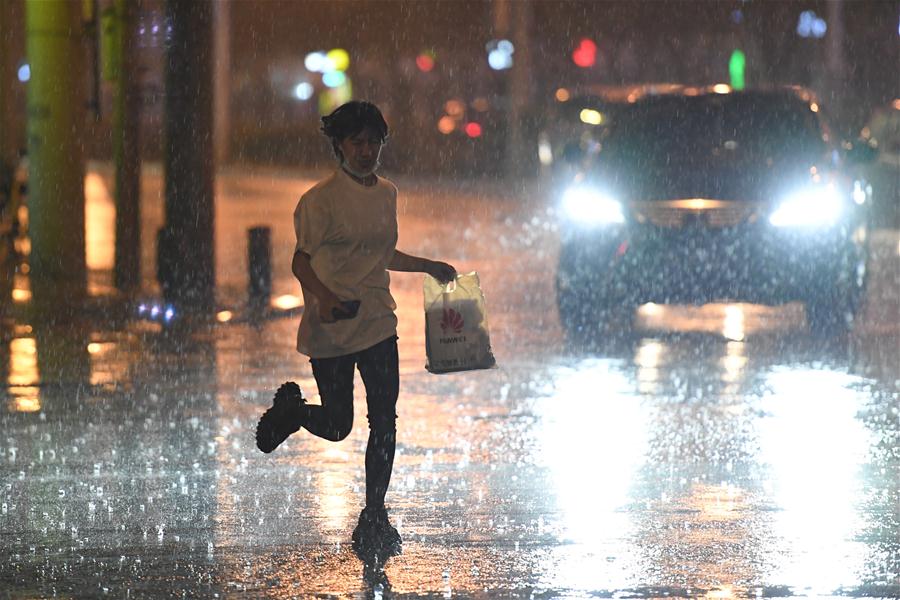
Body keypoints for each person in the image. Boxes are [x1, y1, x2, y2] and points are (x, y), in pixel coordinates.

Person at [255, 101, 456, 555]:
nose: (366, 151)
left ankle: (374, 514)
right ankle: (294, 412)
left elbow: (382, 253)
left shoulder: (387, 193)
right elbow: (299, 261)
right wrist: (325, 298)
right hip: (332, 327)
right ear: (339, 146)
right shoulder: (319, 201)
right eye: (357, 142)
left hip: (378, 322)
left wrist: (428, 267)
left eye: (374, 142)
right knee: (339, 424)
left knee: (385, 422)